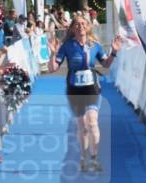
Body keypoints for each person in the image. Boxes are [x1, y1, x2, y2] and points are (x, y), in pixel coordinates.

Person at [47, 16, 121, 173]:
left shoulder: (95, 46)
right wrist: (52, 54)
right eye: (77, 24)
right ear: (73, 28)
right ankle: (83, 157)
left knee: (92, 122)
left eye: (83, 24)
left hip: (92, 88)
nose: (80, 26)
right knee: (82, 126)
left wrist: (113, 52)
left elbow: (106, 64)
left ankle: (95, 158)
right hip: (74, 89)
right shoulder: (67, 46)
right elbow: (52, 69)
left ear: (88, 27)